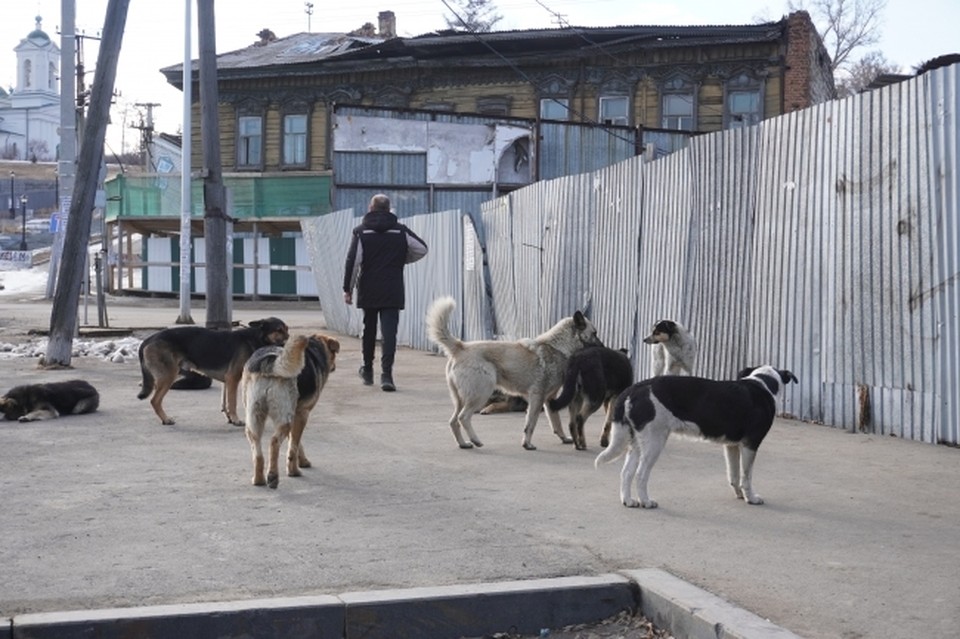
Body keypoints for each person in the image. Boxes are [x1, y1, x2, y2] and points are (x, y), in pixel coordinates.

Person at [343, 194, 428, 391]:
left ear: (370, 208)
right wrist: (400, 259)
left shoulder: (361, 232)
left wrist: (347, 289)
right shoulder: (400, 231)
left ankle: (367, 370)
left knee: (369, 330)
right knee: (390, 333)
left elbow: (353, 262)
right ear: (389, 209)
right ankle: (387, 375)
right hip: (392, 287)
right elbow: (422, 249)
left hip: (369, 288)